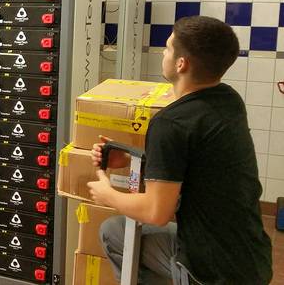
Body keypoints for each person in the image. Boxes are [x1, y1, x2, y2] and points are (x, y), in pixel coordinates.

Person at [86, 16, 272, 284]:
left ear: (181, 64)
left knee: (113, 232)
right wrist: (131, 158)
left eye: (167, 48)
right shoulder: (229, 100)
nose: (163, 53)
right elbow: (199, 161)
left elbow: (156, 213)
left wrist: (107, 194)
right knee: (118, 230)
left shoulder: (171, 122)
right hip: (252, 260)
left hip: (211, 272)